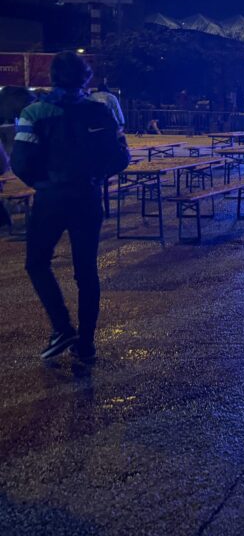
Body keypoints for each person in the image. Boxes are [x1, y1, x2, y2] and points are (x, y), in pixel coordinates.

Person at [12, 51, 130, 362]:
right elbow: (121, 157)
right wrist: (96, 175)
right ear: (85, 78)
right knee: (87, 271)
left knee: (37, 262)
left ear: (52, 77)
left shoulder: (34, 113)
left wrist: (44, 182)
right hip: (88, 196)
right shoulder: (99, 112)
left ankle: (62, 327)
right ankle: (86, 343)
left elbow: (20, 162)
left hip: (51, 197)